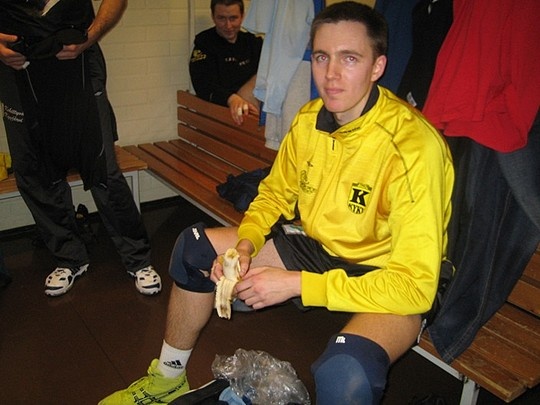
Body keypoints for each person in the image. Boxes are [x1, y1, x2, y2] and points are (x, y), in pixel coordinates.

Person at [100, 2, 454, 404]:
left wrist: (296, 284)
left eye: (349, 58)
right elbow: (273, 193)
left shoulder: (414, 148)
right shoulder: (309, 120)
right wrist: (246, 243)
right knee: (194, 248)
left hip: (391, 271)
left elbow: (415, 287)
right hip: (321, 246)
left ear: (378, 67)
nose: (331, 74)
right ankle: (167, 378)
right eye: (321, 57)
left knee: (346, 373)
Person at [0, 0, 161, 297]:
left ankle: (137, 258)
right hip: (17, 67)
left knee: (102, 168)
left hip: (78, 61)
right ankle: (69, 258)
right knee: (34, 172)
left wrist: (92, 34)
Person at [189, 0, 263, 126]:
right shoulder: (205, 43)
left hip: (251, 112)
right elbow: (202, 83)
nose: (228, 26)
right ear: (213, 17)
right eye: (221, 18)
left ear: (242, 16)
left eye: (233, 18)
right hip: (222, 115)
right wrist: (231, 99)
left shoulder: (252, 43)